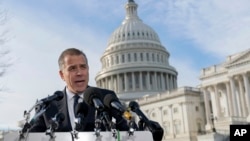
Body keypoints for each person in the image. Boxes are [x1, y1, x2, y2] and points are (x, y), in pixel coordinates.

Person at [29, 48, 129, 132]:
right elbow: (32, 137)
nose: (79, 73)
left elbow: (128, 132)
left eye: (83, 67)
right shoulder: (47, 106)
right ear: (62, 75)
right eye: (72, 68)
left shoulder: (106, 99)